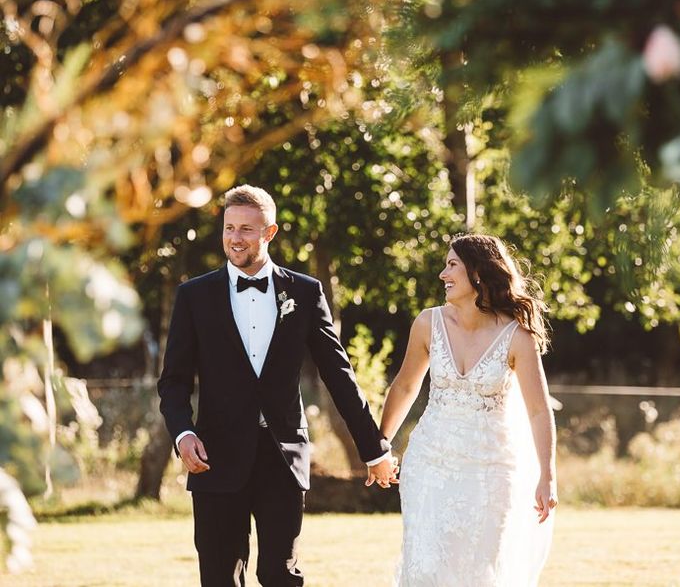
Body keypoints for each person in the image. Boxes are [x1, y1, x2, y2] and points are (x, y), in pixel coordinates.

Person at [157, 184, 398, 587]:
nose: (235, 238)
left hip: (282, 457)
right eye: (229, 228)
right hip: (214, 457)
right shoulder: (194, 296)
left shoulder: (304, 292)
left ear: (269, 233)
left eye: (246, 230)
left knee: (280, 574)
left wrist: (373, 450)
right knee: (218, 577)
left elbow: (339, 376)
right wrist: (182, 434)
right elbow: (174, 382)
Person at [380, 234, 557, 587]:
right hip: (430, 464)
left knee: (482, 570)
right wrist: (379, 445)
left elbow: (538, 410)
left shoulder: (517, 336)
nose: (443, 274)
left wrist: (546, 475)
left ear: (477, 273)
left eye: (452, 265)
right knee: (426, 565)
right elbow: (404, 386)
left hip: (492, 471)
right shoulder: (428, 324)